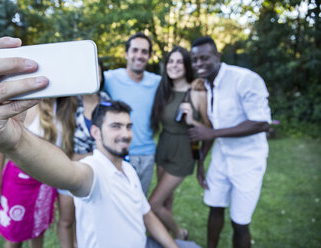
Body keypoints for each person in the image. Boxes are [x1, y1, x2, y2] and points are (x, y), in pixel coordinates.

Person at [0, 37, 186, 248]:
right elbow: (72, 173)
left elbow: (145, 212)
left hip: (115, 163)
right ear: (96, 131)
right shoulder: (71, 109)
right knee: (56, 222)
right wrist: (14, 142)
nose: (125, 133)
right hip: (70, 163)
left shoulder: (125, 162)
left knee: (42, 227)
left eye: (128, 126)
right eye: (117, 126)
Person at [189, 36, 271, 248]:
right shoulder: (207, 85)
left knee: (240, 222)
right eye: (194, 59)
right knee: (215, 208)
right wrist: (201, 163)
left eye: (204, 58)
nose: (199, 64)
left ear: (217, 56)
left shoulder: (244, 79)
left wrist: (213, 134)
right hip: (221, 159)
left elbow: (261, 123)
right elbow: (212, 129)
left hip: (248, 162)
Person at [0, 96, 77, 247]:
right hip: (20, 183)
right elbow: (0, 148)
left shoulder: (66, 106)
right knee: (15, 236)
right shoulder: (28, 105)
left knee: (37, 231)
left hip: (46, 185)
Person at [148, 46, 212, 240]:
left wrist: (192, 120)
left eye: (179, 61)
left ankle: (179, 233)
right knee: (166, 199)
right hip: (164, 147)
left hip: (184, 152)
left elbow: (210, 132)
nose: (174, 65)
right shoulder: (164, 90)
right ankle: (164, 237)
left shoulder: (197, 93)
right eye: (170, 61)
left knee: (153, 204)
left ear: (186, 65)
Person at [56, 58, 110, 248]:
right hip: (69, 171)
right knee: (67, 220)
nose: (93, 78)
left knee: (93, 220)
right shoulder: (67, 104)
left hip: (99, 175)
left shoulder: (107, 102)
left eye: (98, 73)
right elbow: (61, 146)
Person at [104, 32, 161, 196]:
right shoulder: (109, 78)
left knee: (138, 203)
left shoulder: (157, 82)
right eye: (135, 50)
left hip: (147, 155)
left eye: (144, 52)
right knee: (116, 203)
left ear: (149, 56)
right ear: (126, 54)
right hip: (118, 153)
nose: (139, 55)